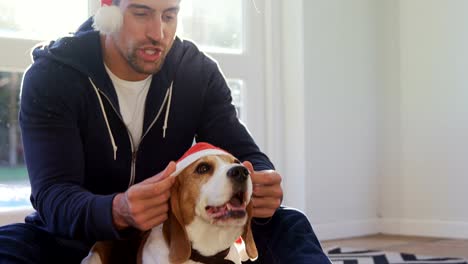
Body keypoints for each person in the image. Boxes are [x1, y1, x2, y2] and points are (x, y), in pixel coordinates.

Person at [0, 0, 331, 263]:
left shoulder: (197, 73)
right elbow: (54, 196)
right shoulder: (52, 76)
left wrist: (260, 178)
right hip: (80, 234)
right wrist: (118, 209)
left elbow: (246, 154)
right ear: (108, 9)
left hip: (172, 231)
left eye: (170, 15)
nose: (158, 33)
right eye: (142, 14)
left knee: (290, 224)